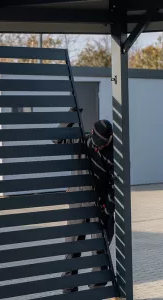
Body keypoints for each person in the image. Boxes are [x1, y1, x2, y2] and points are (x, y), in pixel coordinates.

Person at [54, 108, 115, 294]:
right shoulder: (83, 139)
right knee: (73, 248)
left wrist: (107, 210)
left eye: (100, 147)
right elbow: (57, 139)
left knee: (100, 251)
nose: (97, 149)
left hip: (100, 205)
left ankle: (95, 290)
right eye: (95, 146)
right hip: (78, 201)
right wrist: (69, 117)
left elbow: (115, 184)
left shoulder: (115, 153)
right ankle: (69, 291)